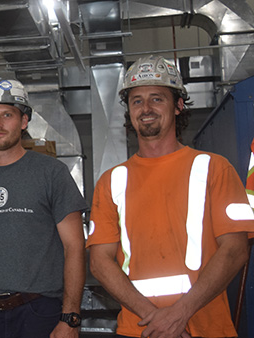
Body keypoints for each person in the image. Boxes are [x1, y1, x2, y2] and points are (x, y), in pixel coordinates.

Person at [87, 55, 254, 337]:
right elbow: (100, 262)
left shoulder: (215, 168)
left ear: (178, 105)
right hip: (139, 329)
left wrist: (179, 314)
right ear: (128, 110)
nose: (146, 108)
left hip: (205, 328)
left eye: (157, 98)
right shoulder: (111, 181)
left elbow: (235, 249)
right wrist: (157, 320)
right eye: (136, 100)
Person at [0, 76, 88, 338]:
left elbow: (74, 246)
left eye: (7, 115)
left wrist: (70, 317)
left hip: (40, 312)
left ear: (24, 121)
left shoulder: (52, 173)